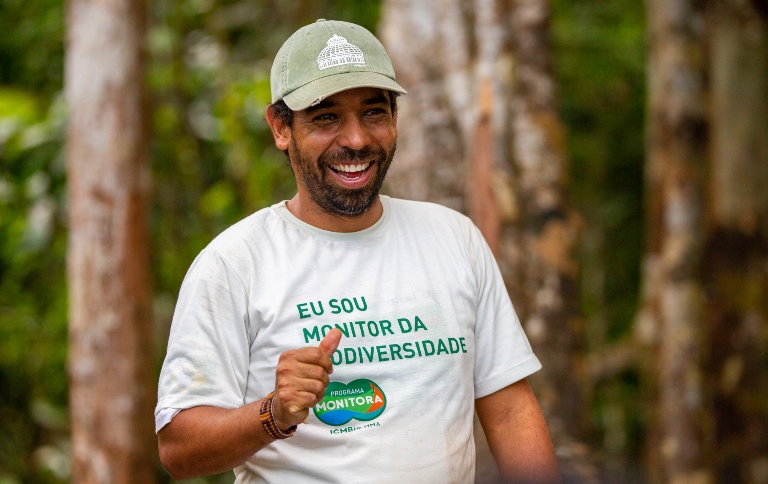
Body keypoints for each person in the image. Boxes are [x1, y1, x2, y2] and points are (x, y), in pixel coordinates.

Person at [156, 19, 560, 483]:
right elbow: (178, 450)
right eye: (326, 117)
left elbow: (509, 410)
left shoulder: (454, 238)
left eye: (374, 113)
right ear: (280, 127)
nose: (356, 139)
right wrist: (274, 412)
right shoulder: (234, 264)